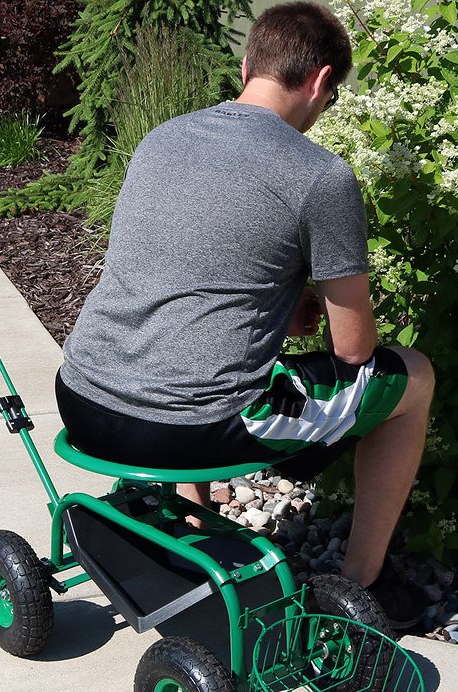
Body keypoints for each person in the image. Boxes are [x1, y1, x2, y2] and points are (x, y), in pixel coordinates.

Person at [56, 1, 435, 629]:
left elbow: (183, 279)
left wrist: (277, 305)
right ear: (319, 81)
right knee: (412, 377)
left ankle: (185, 518)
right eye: (331, 98)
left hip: (85, 400)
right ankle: (364, 582)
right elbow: (353, 350)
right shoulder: (320, 175)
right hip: (189, 429)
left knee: (194, 363)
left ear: (248, 65)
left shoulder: (163, 139)